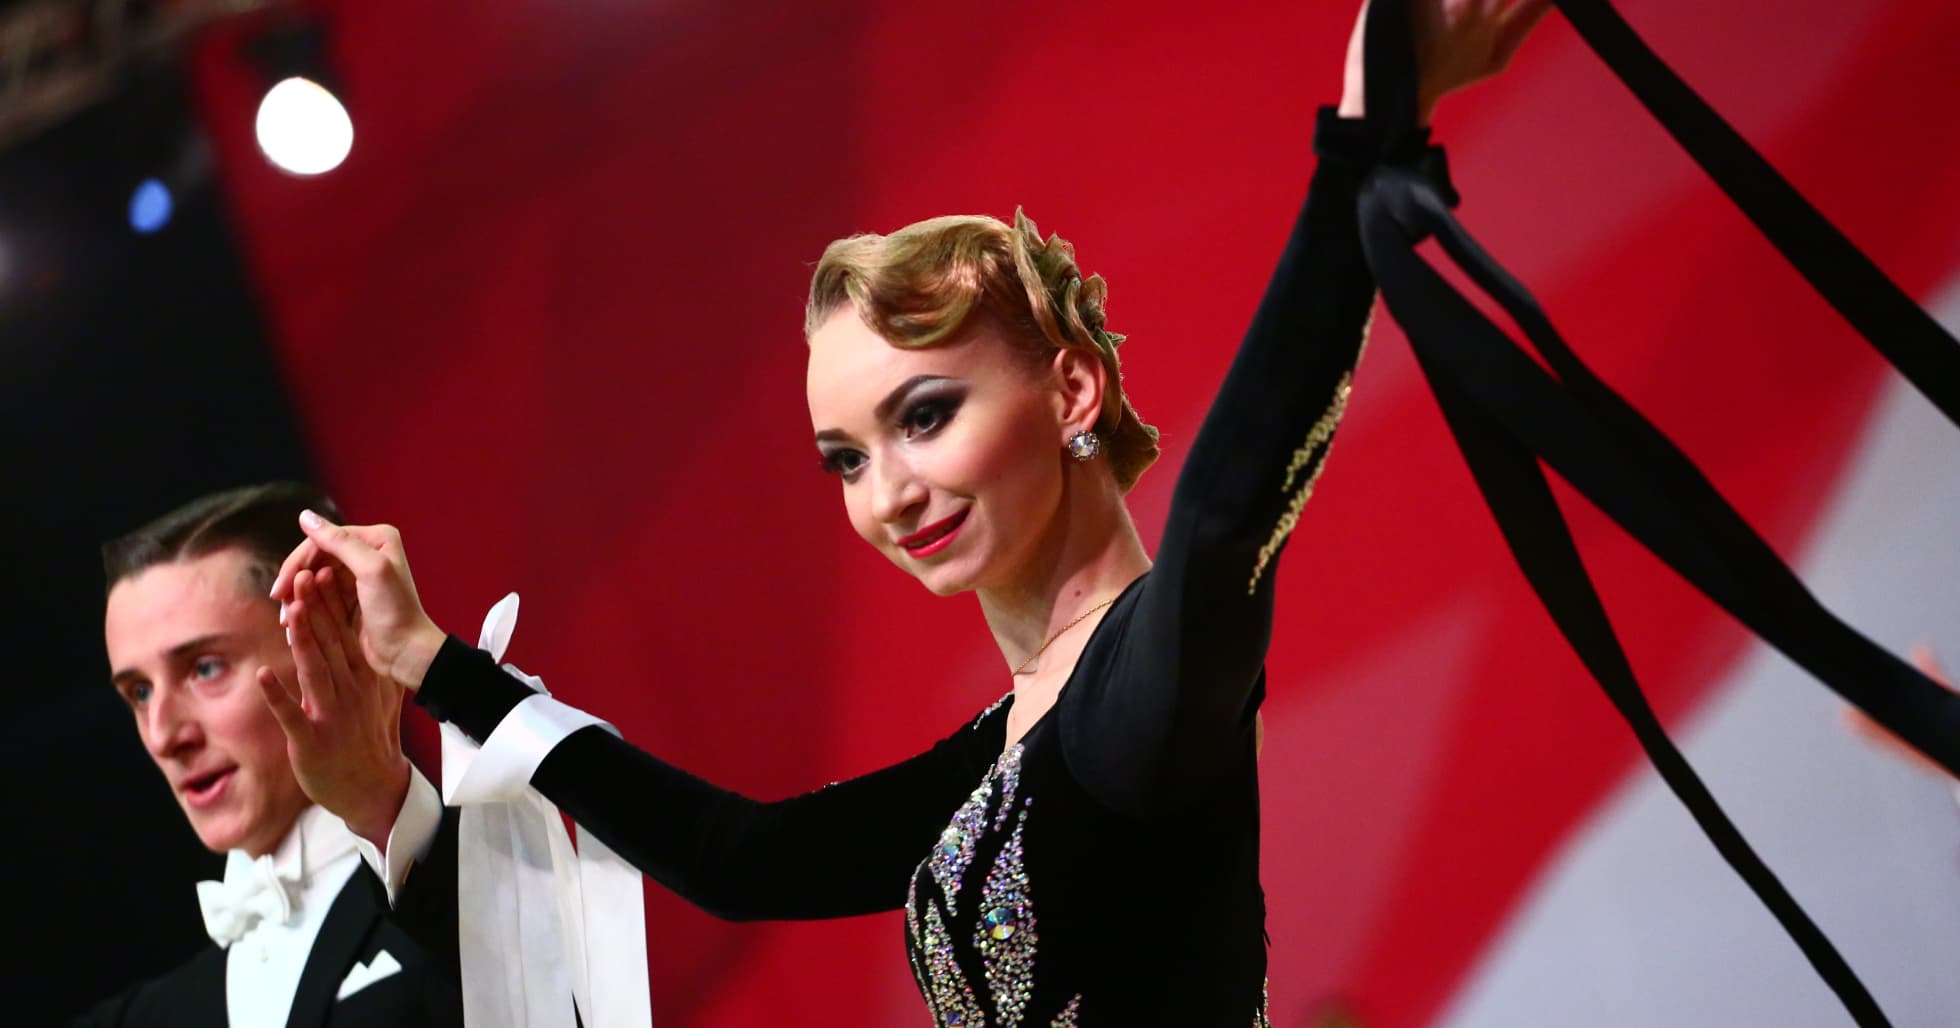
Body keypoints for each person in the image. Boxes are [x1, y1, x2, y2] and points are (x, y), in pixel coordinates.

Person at [269, 1, 1552, 1022]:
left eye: (925, 415)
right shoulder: (1013, 737)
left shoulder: (1146, 685)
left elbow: (1224, 510)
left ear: (1071, 387)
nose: (887, 492)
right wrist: (432, 662)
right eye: (844, 457)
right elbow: (743, 857)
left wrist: (1365, 136)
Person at [78, 483, 460, 1027]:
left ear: (335, 640)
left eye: (205, 668)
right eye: (140, 692)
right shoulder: (138, 1018)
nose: (163, 735)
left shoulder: (481, 889)